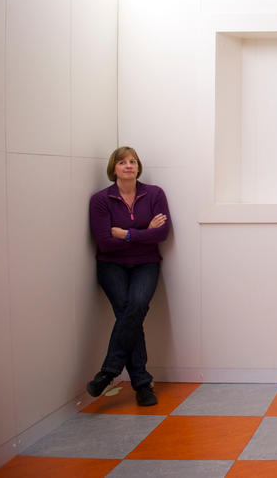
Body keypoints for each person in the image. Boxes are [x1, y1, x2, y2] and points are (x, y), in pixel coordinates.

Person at [87, 146, 171, 406]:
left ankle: (109, 371)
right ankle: (142, 384)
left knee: (134, 307)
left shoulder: (155, 194)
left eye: (133, 161)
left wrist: (125, 233)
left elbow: (162, 233)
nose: (129, 166)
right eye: (122, 162)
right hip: (111, 265)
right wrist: (144, 231)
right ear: (114, 169)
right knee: (128, 314)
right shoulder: (101, 200)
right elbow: (104, 242)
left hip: (146, 263)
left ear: (138, 166)